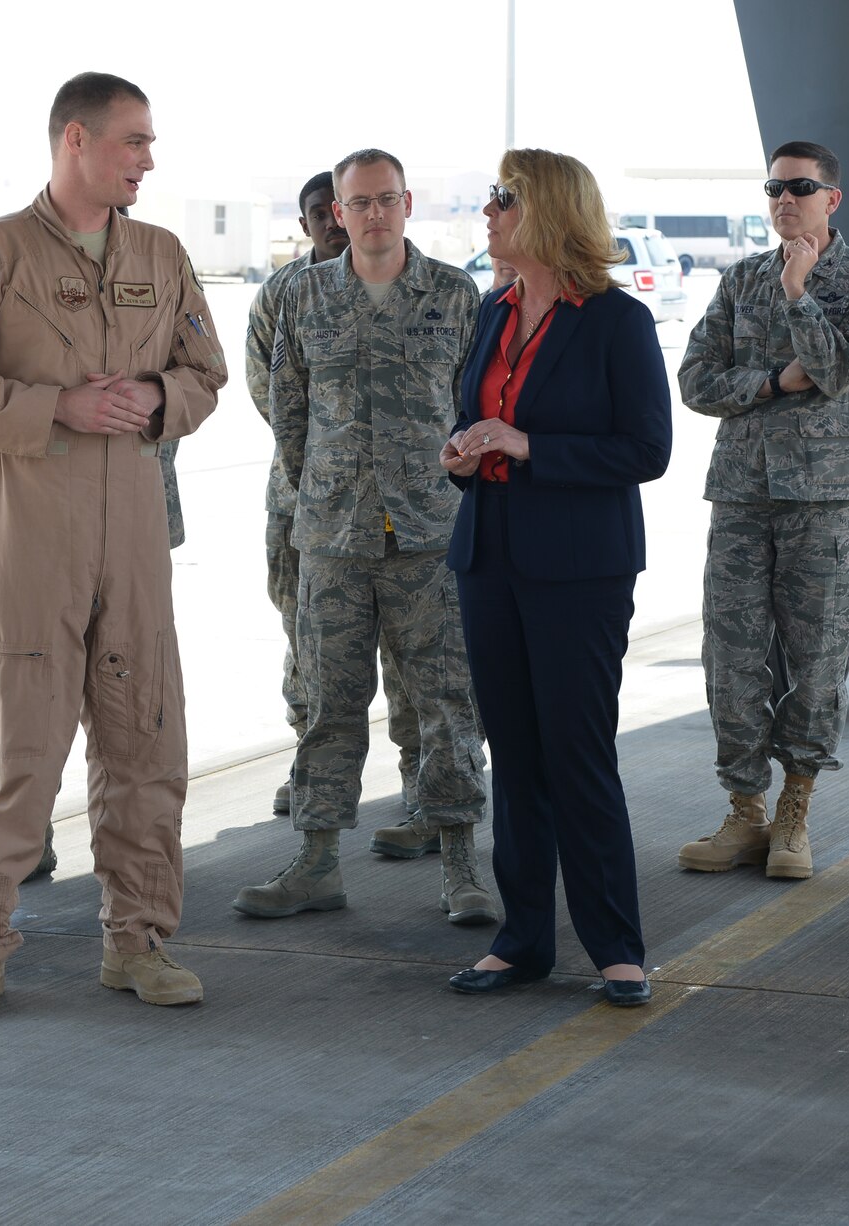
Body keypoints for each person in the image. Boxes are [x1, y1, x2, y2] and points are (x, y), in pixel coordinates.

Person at [0, 72, 226, 1016]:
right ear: (76, 140)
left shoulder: (162, 254)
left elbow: (206, 372)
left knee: (144, 734)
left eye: (150, 141)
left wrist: (160, 397)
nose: (148, 159)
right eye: (134, 140)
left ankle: (139, 941)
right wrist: (57, 407)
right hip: (29, 521)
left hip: (132, 524)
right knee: (20, 735)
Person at [232, 150, 498, 927]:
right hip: (332, 537)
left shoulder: (453, 294)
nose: (374, 214)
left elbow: (474, 403)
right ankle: (316, 862)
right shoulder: (302, 294)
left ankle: (460, 865)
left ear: (407, 204)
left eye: (387, 199)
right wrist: (326, 491)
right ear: (337, 213)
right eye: (359, 203)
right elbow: (287, 408)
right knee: (328, 703)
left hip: (429, 534)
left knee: (447, 701)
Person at [439, 150, 672, 1006]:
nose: (489, 211)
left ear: (547, 212)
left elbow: (646, 450)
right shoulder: (494, 308)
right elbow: (475, 414)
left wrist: (527, 444)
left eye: (504, 198)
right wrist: (463, 452)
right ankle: (522, 939)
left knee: (576, 752)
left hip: (579, 567)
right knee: (515, 755)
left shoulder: (616, 320)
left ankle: (616, 946)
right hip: (490, 555)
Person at [675, 141, 849, 881]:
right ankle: (745, 809)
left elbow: (838, 370)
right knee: (731, 656)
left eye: (800, 187)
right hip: (742, 494)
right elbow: (695, 380)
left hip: (824, 499)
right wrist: (771, 382)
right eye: (773, 188)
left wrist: (800, 294)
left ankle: (795, 809)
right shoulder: (741, 279)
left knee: (817, 659)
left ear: (833, 198)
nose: (784, 200)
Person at [245, 172, 427, 849]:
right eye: (318, 213)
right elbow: (271, 393)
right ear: (307, 224)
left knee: (414, 655)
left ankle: (422, 783)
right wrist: (330, 464)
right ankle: (312, 773)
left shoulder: (426, 287)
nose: (331, 221)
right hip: (308, 501)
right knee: (311, 644)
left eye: (338, 208)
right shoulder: (285, 293)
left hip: (406, 510)